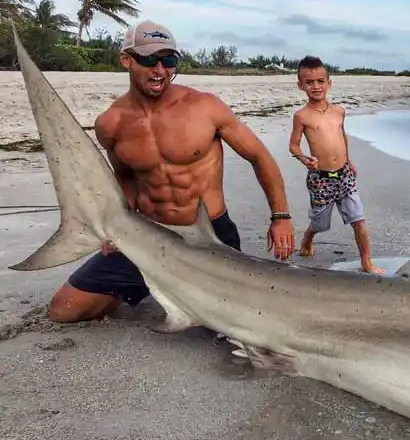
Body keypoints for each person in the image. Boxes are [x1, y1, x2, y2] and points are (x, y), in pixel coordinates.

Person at [47, 20, 297, 323]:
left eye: (168, 60)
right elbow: (125, 178)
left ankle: (183, 291)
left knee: (239, 330)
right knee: (64, 310)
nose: (160, 69)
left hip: (209, 237)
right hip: (149, 236)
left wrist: (280, 217)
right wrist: (116, 225)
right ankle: (155, 285)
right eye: (150, 59)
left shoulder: (204, 107)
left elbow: (259, 157)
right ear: (127, 60)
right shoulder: (111, 124)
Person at [288, 55, 384, 274]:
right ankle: (308, 236)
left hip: (345, 175)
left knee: (358, 219)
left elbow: (342, 137)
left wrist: (348, 161)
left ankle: (367, 263)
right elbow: (293, 146)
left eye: (320, 81)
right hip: (320, 178)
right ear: (300, 86)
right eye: (309, 82)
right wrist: (304, 159)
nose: (316, 86)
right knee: (320, 223)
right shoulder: (302, 116)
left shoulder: (339, 111)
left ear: (329, 82)